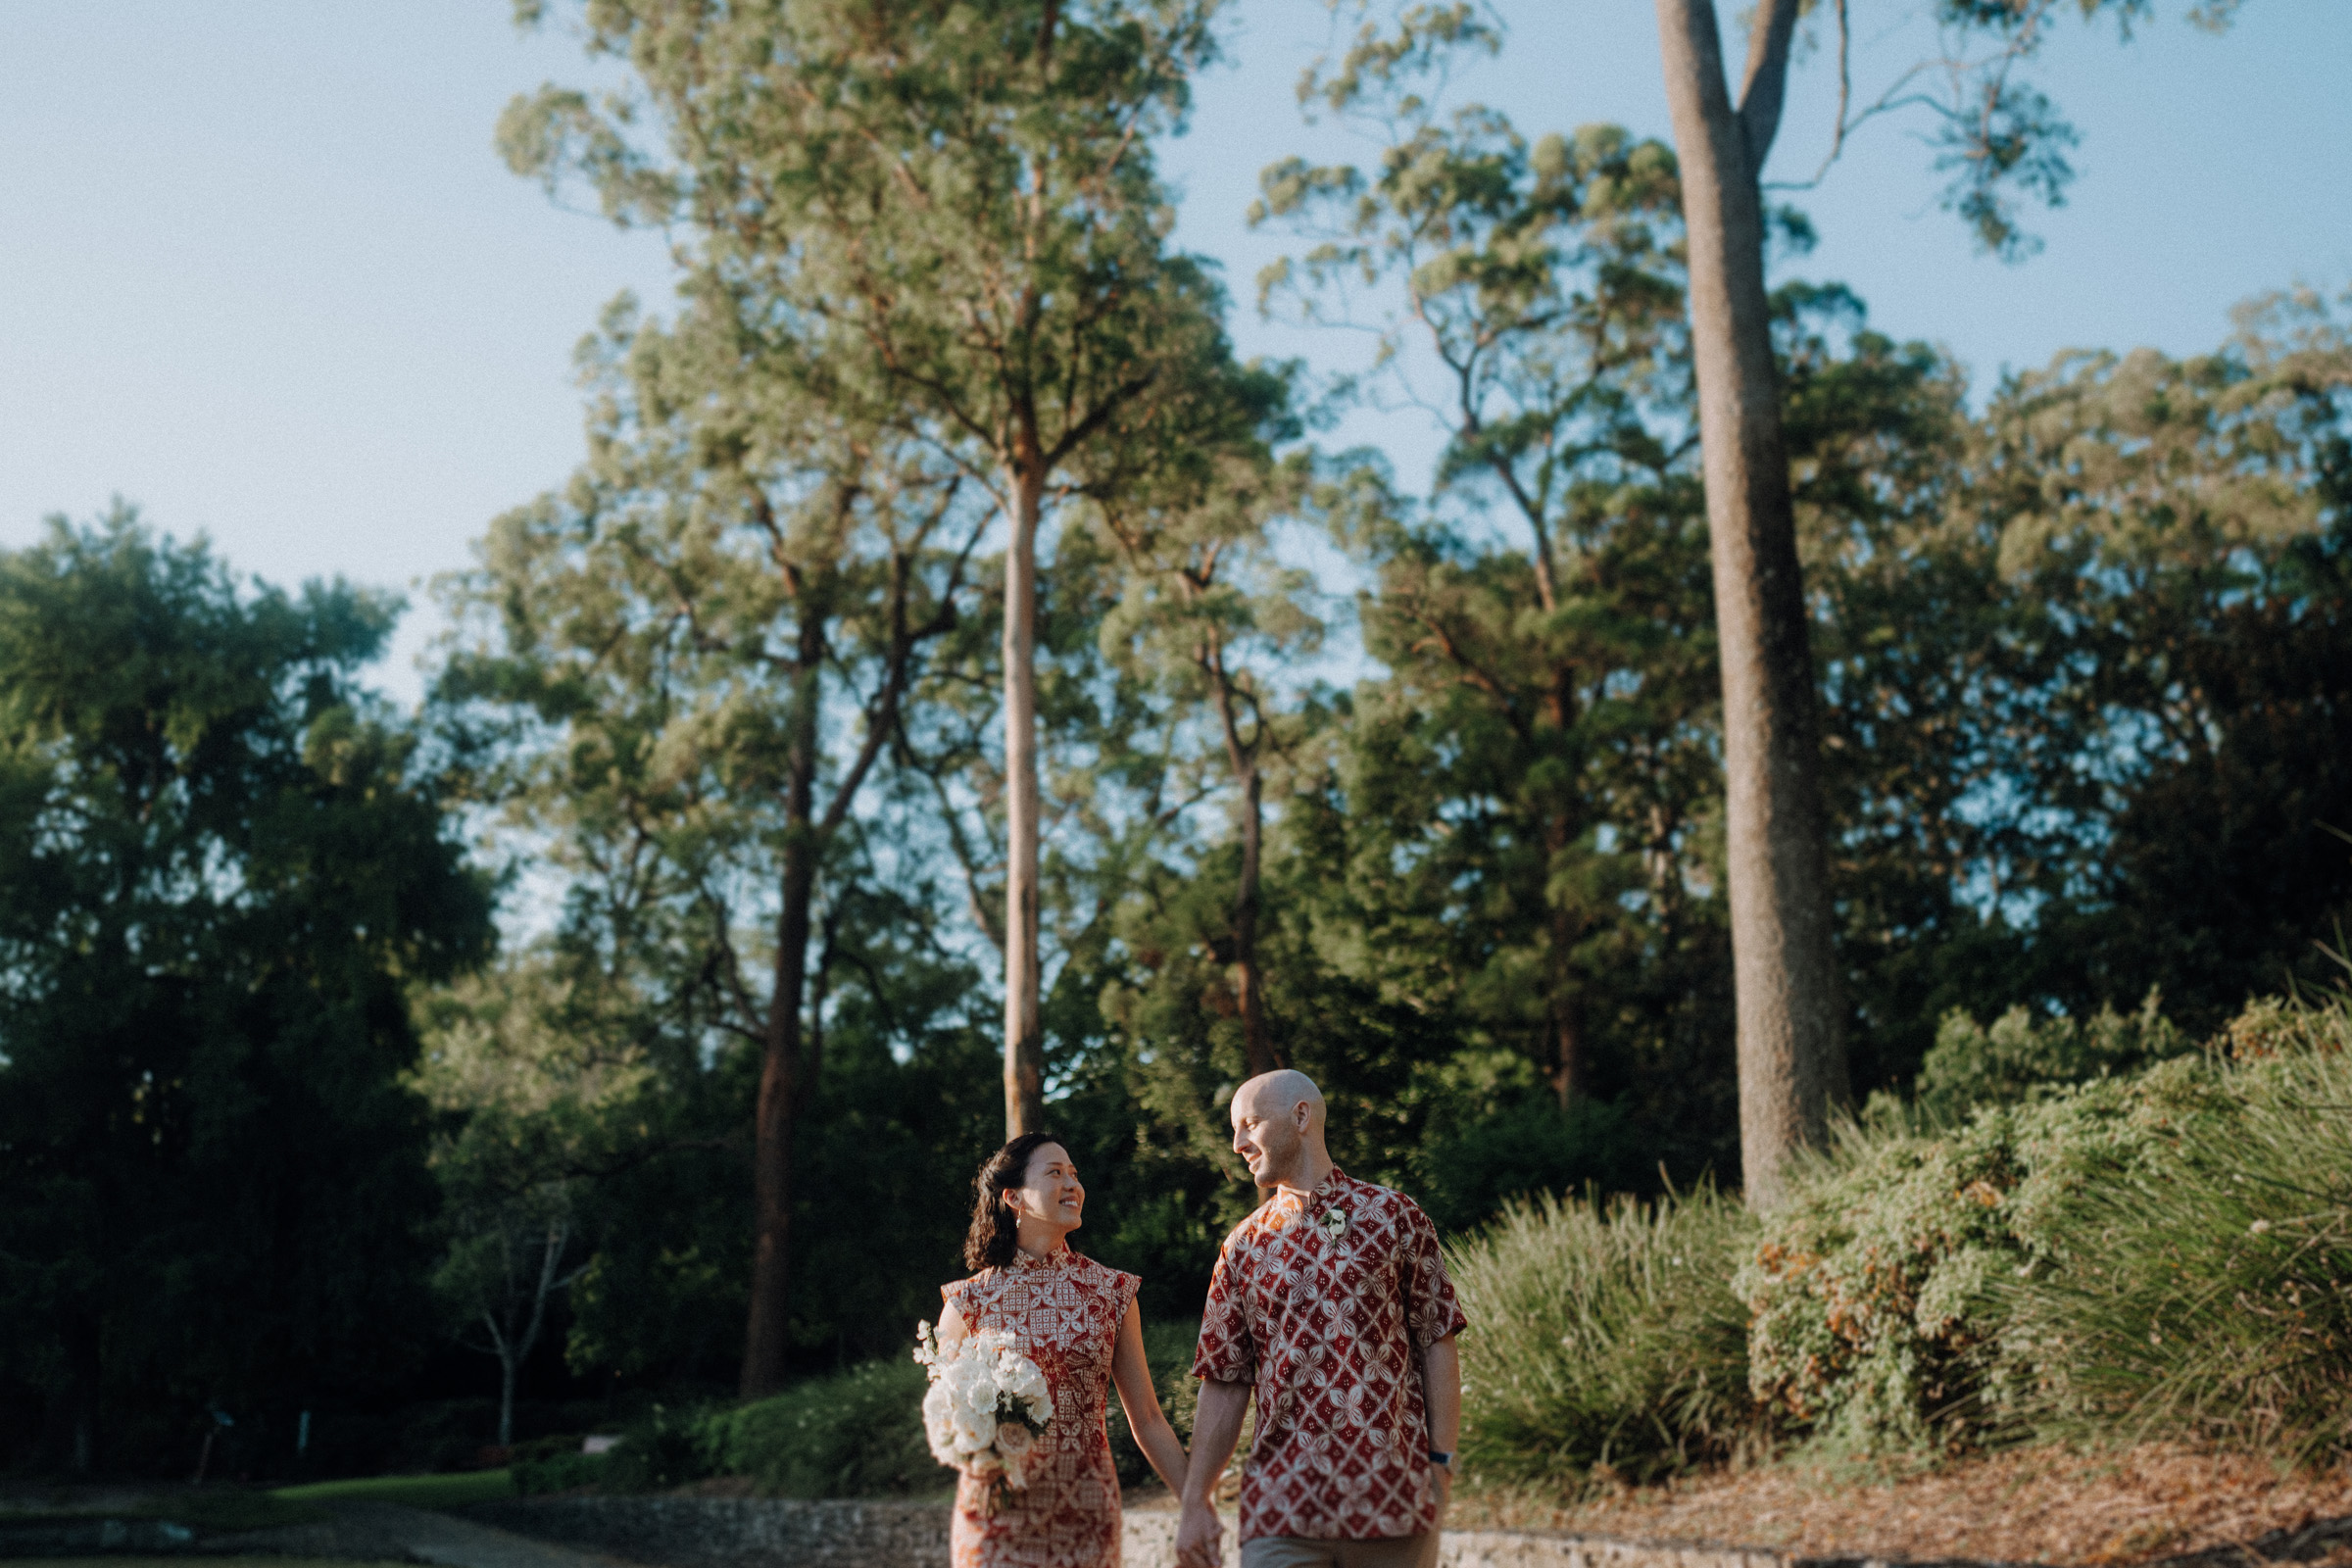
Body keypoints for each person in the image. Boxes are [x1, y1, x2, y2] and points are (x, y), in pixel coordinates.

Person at [1176, 1071, 1466, 1568]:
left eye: (1249, 1124)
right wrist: (1194, 1501)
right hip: (1281, 1508)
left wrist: (1441, 1461)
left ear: (1301, 1117)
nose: (1237, 1144)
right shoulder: (1243, 1246)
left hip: (1393, 1501)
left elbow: (1436, 1339)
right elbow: (1224, 1382)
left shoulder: (1395, 1215)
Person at [938, 1131, 1191, 1568]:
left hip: (1087, 1514)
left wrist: (1197, 1504)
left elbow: (1147, 1418)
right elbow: (947, 1421)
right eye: (1055, 1173)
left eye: (1074, 1173)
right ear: (1014, 1197)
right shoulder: (967, 1303)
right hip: (996, 1519)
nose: (1072, 1184)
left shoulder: (1112, 1292)